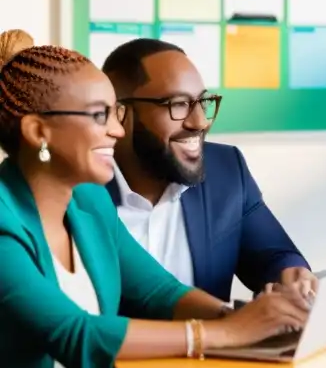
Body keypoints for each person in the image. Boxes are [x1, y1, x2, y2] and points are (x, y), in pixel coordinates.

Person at [0, 31, 310, 368]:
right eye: (99, 115)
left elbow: (157, 292)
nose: (117, 129)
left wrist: (244, 321)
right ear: (38, 131)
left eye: (116, 113)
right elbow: (79, 334)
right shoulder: (4, 222)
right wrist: (223, 335)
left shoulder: (86, 202)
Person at [100, 39, 314, 303]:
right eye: (178, 104)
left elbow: (274, 255)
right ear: (119, 113)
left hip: (211, 344)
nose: (200, 122)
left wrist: (291, 275)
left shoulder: (225, 170)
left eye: (203, 102)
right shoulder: (80, 189)